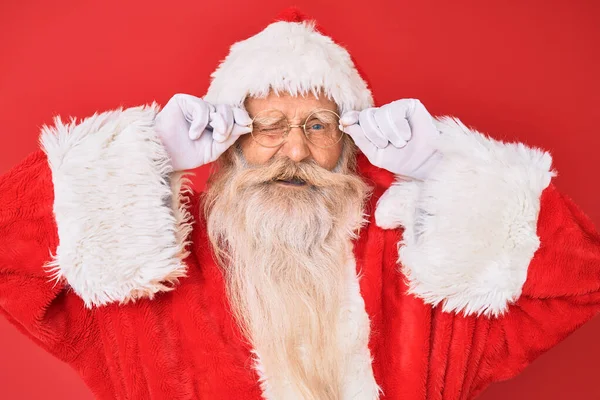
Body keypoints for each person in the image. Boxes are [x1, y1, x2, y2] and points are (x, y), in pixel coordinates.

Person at [1, 8, 599, 400]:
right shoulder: (147, 262)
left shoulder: (417, 264)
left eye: (317, 125)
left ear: (349, 141)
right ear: (229, 139)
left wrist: (450, 166)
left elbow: (581, 280)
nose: (294, 149)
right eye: (268, 126)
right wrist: (143, 155)